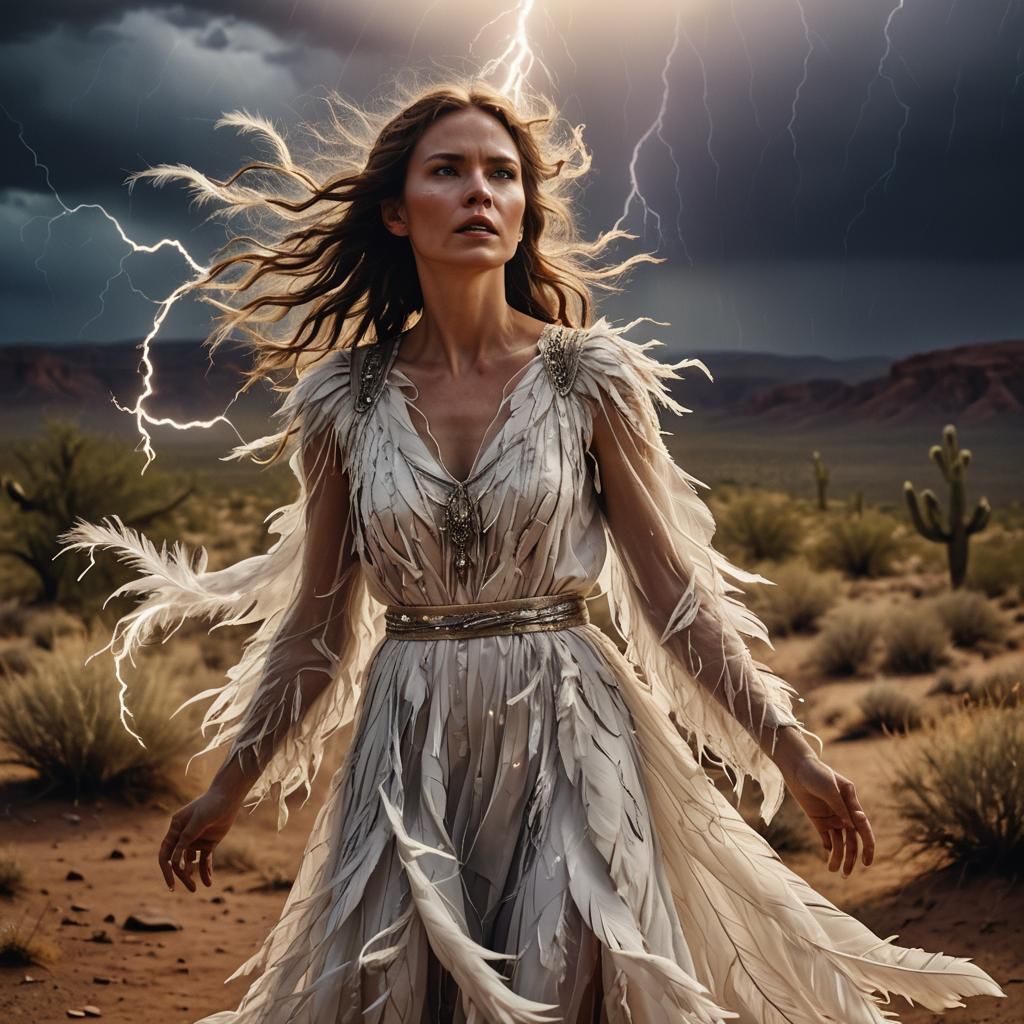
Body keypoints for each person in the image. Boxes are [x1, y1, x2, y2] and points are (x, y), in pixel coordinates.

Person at [62, 76, 1004, 1024]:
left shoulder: (588, 375)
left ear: (523, 212)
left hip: (571, 724)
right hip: (410, 736)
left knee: (574, 976)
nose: (480, 192)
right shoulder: (341, 400)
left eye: (502, 175)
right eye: (450, 171)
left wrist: (792, 753)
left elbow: (673, 592)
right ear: (396, 212)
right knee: (402, 986)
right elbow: (317, 623)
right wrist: (230, 783)